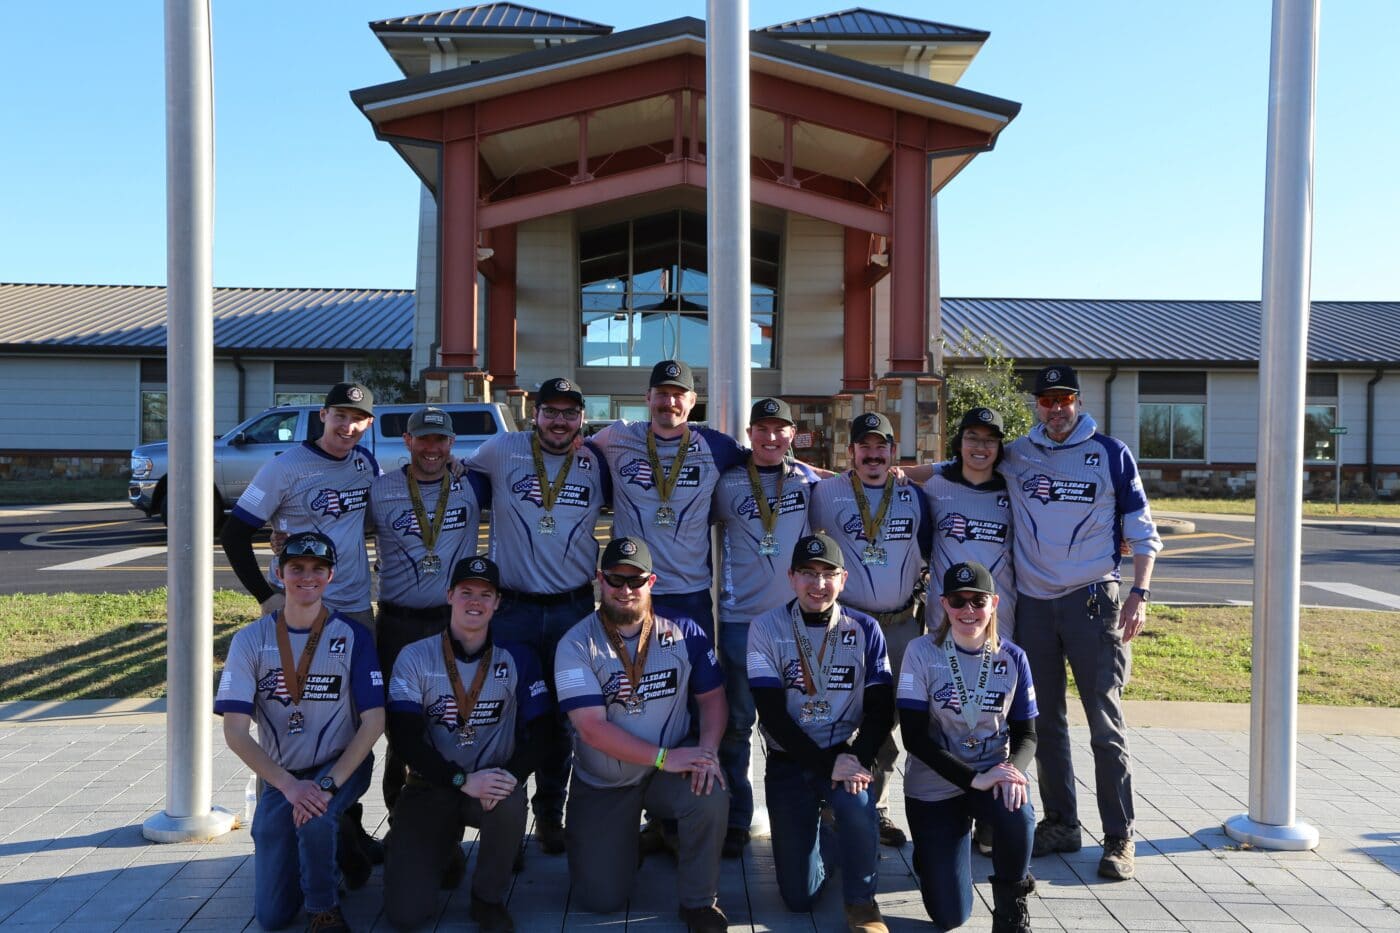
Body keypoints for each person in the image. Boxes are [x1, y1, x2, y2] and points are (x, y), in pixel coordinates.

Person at [999, 365, 1161, 881]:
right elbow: (954, 466)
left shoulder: (1111, 453)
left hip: (1093, 601)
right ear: (1037, 407)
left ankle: (1119, 835)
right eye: (1045, 401)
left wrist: (1138, 593)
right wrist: (880, 471)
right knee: (1043, 723)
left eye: (1063, 398)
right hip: (1034, 607)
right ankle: (1062, 823)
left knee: (1104, 724)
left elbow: (1142, 529)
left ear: (1078, 400)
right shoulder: (1017, 454)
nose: (1055, 409)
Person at [221, 381, 384, 880]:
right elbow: (233, 532)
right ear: (322, 415)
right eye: (340, 415)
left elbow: (364, 524)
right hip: (301, 614)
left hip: (353, 611)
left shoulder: (365, 464)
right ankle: (291, 811)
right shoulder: (284, 466)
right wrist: (264, 595)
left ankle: (344, 829)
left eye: (358, 419)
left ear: (369, 424)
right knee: (298, 717)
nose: (347, 426)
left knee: (355, 727)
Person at [462, 376, 609, 854]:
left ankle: (550, 814)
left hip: (572, 607)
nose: (560, 421)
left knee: (565, 718)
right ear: (535, 414)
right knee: (512, 714)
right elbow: (445, 476)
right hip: (514, 610)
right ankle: (508, 819)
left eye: (570, 413)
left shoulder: (594, 460)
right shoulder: (502, 448)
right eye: (551, 411)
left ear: (581, 419)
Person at [553, 537, 730, 931]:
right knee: (600, 900)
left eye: (636, 581)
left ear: (653, 581)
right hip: (606, 781)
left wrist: (707, 750)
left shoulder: (684, 631)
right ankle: (627, 841)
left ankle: (699, 902)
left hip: (666, 772)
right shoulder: (575, 643)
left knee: (709, 787)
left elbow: (713, 697)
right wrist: (664, 757)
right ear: (600, 580)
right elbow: (592, 729)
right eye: (615, 580)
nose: (625, 590)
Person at [215, 531, 383, 933]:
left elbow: (375, 721)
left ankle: (324, 910)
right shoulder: (249, 641)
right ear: (278, 572)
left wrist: (325, 785)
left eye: (317, 569)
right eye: (296, 568)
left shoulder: (353, 636)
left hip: (339, 765)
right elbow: (236, 733)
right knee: (272, 917)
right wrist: (290, 787)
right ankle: (345, 850)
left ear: (331, 577)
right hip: (281, 777)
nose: (307, 577)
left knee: (316, 817)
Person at [382, 555, 550, 932]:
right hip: (431, 784)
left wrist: (511, 774)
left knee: (508, 799)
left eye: (485, 594)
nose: (475, 601)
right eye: (466, 592)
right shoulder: (414, 656)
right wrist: (458, 780)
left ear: (497, 603)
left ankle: (487, 898)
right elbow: (404, 737)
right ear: (449, 595)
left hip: (489, 783)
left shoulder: (518, 655)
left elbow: (542, 731)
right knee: (405, 916)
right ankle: (443, 853)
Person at [746, 532, 895, 933]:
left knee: (858, 804)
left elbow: (882, 710)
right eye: (808, 574)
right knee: (798, 898)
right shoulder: (764, 628)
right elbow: (772, 715)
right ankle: (834, 841)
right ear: (791, 576)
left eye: (828, 574)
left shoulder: (865, 629)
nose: (819, 584)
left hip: (845, 751)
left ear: (844, 579)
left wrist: (855, 759)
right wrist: (830, 765)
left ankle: (862, 904)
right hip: (789, 758)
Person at [807, 411, 932, 848]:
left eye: (882, 446)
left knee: (888, 721)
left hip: (901, 625)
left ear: (893, 452)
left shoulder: (914, 495)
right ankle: (830, 805)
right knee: (841, 713)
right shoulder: (827, 493)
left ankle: (872, 808)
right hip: (849, 624)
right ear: (852, 451)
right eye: (865, 446)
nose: (874, 454)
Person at [899, 561, 1038, 933]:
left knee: (1019, 811)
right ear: (944, 604)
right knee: (950, 917)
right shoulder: (920, 652)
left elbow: (1028, 735)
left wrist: (1013, 771)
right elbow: (913, 737)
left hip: (990, 774)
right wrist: (971, 779)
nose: (968, 611)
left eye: (977, 601)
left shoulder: (1014, 658)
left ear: (994, 603)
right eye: (958, 601)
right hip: (935, 784)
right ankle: (930, 857)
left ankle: (1011, 910)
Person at [709, 396, 820, 858]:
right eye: (762, 429)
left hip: (793, 625)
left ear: (792, 435)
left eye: (780, 430)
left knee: (798, 720)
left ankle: (802, 812)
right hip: (739, 622)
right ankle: (737, 817)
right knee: (737, 724)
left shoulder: (809, 482)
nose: (771, 438)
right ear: (749, 434)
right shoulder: (727, 482)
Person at [370, 406, 488, 815]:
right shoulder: (380, 489)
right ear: (408, 441)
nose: (432, 448)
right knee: (399, 725)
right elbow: (333, 525)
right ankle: (401, 817)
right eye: (423, 439)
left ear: (451, 444)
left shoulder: (472, 484)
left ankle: (449, 816)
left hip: (451, 624)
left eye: (440, 440)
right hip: (399, 623)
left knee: (452, 718)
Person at [585, 359, 748, 642]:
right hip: (631, 589)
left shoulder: (716, 445)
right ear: (648, 397)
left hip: (689, 594)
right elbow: (572, 450)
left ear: (693, 401)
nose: (669, 402)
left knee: (698, 681)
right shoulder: (617, 436)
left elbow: (766, 461)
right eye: (661, 393)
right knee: (629, 677)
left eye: (678, 395)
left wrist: (826, 475)